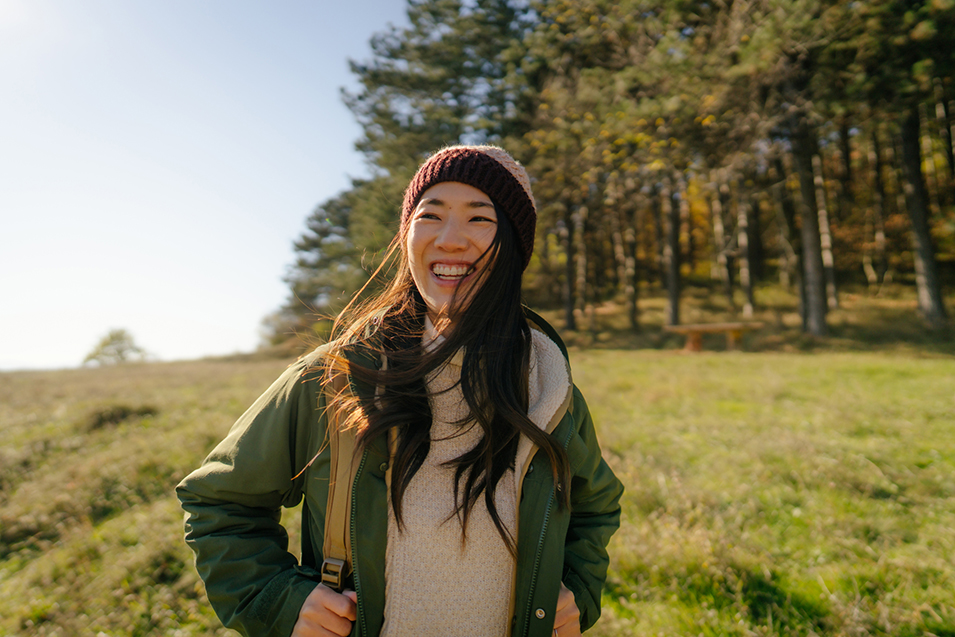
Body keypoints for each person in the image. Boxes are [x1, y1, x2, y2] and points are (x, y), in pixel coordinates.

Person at [176, 145, 624, 637]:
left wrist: (577, 592)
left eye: (479, 219)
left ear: (514, 246)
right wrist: (277, 602)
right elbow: (219, 502)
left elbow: (594, 506)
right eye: (430, 215)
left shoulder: (550, 389)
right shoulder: (334, 379)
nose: (450, 239)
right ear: (407, 238)